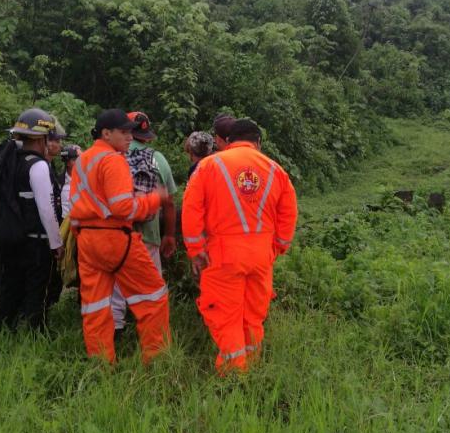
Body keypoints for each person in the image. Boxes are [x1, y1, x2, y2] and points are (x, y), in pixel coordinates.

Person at [181, 118, 298, 374]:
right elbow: (288, 213)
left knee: (226, 315)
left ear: (228, 141)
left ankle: (234, 375)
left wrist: (195, 249)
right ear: (257, 142)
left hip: (223, 257)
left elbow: (191, 210)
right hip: (261, 256)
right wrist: (277, 247)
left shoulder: (208, 166)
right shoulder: (276, 170)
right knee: (253, 314)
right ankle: (252, 366)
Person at [68, 108, 173, 365]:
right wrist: (153, 199)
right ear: (106, 133)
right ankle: (157, 359)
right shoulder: (113, 160)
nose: (130, 137)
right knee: (153, 296)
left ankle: (101, 363)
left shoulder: (83, 160)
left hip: (86, 240)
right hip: (115, 238)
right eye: (124, 132)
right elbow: (123, 208)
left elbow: (78, 203)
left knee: (95, 305)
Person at [0, 108, 65, 332]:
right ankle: (38, 331)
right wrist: (56, 243)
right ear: (42, 138)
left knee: (11, 283)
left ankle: (6, 328)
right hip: (35, 241)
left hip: (11, 235)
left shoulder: (10, 160)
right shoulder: (38, 165)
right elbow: (46, 208)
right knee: (38, 287)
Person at [110, 111, 177, 338]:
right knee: (152, 289)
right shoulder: (158, 159)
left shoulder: (111, 155)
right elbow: (168, 202)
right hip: (148, 234)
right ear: (147, 136)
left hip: (117, 233)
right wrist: (169, 235)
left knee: (117, 288)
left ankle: (115, 333)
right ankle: (153, 337)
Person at [60, 144, 81, 218]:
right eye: (75, 159)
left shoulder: (87, 179)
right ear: (67, 163)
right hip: (64, 224)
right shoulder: (59, 182)